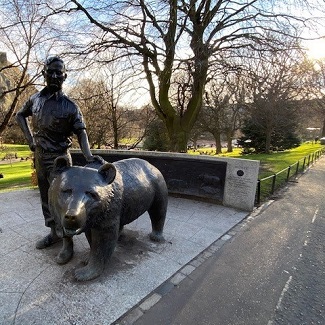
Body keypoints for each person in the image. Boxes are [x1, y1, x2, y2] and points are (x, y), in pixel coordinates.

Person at [16, 56, 94, 249]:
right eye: (50, 71)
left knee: (63, 201)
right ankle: (54, 233)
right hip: (40, 157)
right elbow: (20, 115)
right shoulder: (34, 99)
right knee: (46, 199)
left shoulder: (70, 106)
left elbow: (81, 132)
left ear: (64, 76)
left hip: (60, 160)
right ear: (44, 73)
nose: (54, 75)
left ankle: (68, 243)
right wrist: (30, 140)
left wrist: (88, 156)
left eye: (58, 72)